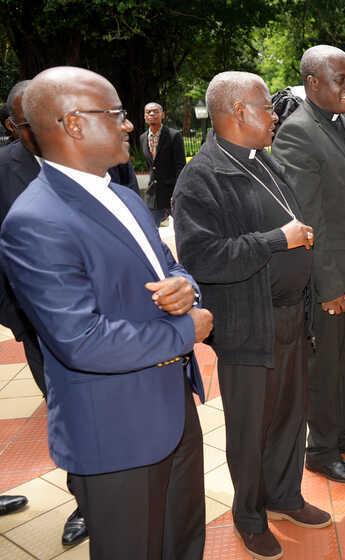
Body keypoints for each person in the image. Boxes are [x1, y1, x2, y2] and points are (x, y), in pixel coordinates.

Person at [0, 66, 212, 559]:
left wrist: (187, 288)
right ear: (74, 124)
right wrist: (187, 329)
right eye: (116, 113)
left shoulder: (119, 193)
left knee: (183, 542)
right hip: (116, 431)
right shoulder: (36, 221)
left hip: (172, 411)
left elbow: (170, 264)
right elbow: (81, 339)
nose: (129, 125)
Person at [173, 71, 331, 559]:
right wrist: (276, 241)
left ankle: (284, 495)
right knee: (251, 427)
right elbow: (201, 258)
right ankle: (250, 515)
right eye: (267, 107)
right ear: (237, 112)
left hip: (290, 318)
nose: (275, 115)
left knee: (289, 415)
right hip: (248, 326)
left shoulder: (266, 162)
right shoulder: (202, 177)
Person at [272, 45, 345, 484]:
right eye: (340, 79)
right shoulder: (297, 132)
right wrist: (328, 285)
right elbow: (309, 218)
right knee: (324, 370)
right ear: (313, 83)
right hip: (330, 280)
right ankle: (320, 449)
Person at [0, 79, 91, 547]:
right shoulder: (2, 170)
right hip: (39, 326)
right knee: (68, 411)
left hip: (106, 318)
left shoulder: (89, 155)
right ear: (13, 125)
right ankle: (85, 500)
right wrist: (18, 319)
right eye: (26, 120)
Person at [140, 102, 186, 226]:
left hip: (172, 193)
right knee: (149, 228)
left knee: (184, 228)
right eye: (148, 112)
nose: (152, 114)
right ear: (144, 117)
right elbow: (151, 166)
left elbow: (180, 166)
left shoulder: (173, 136)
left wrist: (178, 192)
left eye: (155, 111)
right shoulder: (143, 138)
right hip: (153, 195)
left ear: (163, 115)